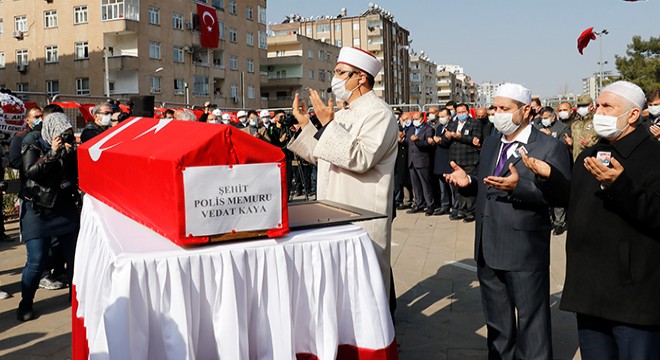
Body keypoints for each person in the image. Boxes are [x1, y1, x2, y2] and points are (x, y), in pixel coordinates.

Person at [520, 81, 660, 359]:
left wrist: (620, 185)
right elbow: (575, 197)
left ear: (633, 115)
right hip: (589, 290)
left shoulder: (654, 156)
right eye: (599, 105)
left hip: (632, 294)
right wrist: (550, 176)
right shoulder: (592, 152)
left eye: (608, 106)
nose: (599, 111)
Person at [445, 83, 571, 359]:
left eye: (505, 109)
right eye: (495, 108)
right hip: (487, 247)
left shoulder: (549, 147)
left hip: (524, 250)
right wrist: (468, 183)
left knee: (532, 326)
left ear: (526, 111)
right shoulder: (492, 141)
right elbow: (488, 184)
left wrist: (519, 188)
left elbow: (562, 195)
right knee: (498, 326)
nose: (497, 114)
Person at [288, 46, 398, 298]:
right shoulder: (344, 112)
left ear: (360, 77)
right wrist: (307, 125)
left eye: (340, 72)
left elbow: (360, 158)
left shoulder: (378, 113)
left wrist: (327, 124)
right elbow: (324, 155)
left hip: (360, 209)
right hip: (334, 206)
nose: (334, 78)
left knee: (366, 286)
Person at [18, 112, 80, 321]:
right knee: (37, 260)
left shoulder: (67, 148)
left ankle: (76, 299)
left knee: (74, 259)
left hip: (64, 208)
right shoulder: (33, 142)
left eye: (68, 134)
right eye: (62, 134)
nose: (65, 138)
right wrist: (53, 152)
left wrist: (72, 154)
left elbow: (73, 175)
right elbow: (31, 172)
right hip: (38, 209)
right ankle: (25, 303)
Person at [533, 106, 571, 235]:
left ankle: (559, 223)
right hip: (542, 165)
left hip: (558, 166)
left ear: (553, 117)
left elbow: (562, 147)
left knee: (557, 195)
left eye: (546, 118)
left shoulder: (562, 128)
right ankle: (548, 220)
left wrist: (550, 138)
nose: (544, 121)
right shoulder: (538, 127)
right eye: (542, 118)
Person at [443, 103, 482, 222]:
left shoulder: (475, 123)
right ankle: (461, 209)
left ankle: (471, 211)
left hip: (469, 159)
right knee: (458, 187)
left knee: (468, 186)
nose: (460, 114)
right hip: (455, 160)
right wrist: (447, 136)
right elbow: (445, 141)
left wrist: (460, 137)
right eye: (458, 112)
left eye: (462, 112)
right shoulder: (453, 123)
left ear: (467, 112)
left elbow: (476, 139)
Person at [405, 112, 435, 215]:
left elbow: (428, 144)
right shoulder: (411, 129)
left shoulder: (428, 129)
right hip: (412, 161)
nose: (414, 121)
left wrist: (417, 141)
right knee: (416, 185)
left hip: (422, 161)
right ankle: (419, 204)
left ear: (422, 119)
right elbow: (407, 142)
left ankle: (430, 204)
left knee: (426, 184)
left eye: (416, 118)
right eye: (413, 119)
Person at [430, 107, 453, 215]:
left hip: (449, 159)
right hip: (440, 159)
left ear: (449, 116)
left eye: (443, 117)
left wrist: (441, 140)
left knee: (452, 187)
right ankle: (445, 205)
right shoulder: (439, 127)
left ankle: (455, 206)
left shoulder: (453, 126)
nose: (441, 119)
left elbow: (450, 142)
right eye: (440, 117)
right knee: (442, 186)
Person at [568, 95, 598, 161]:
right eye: (579, 106)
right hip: (576, 161)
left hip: (592, 160)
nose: (581, 108)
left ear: (591, 107)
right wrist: (571, 143)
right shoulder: (575, 124)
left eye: (584, 106)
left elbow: (601, 140)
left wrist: (590, 143)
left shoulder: (597, 122)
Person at [394, 113, 413, 209]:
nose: (405, 121)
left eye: (407, 119)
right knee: (401, 180)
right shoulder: (399, 128)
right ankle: (404, 200)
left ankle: (409, 200)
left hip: (410, 158)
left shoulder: (412, 129)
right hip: (400, 158)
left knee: (409, 180)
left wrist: (402, 140)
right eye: (403, 119)